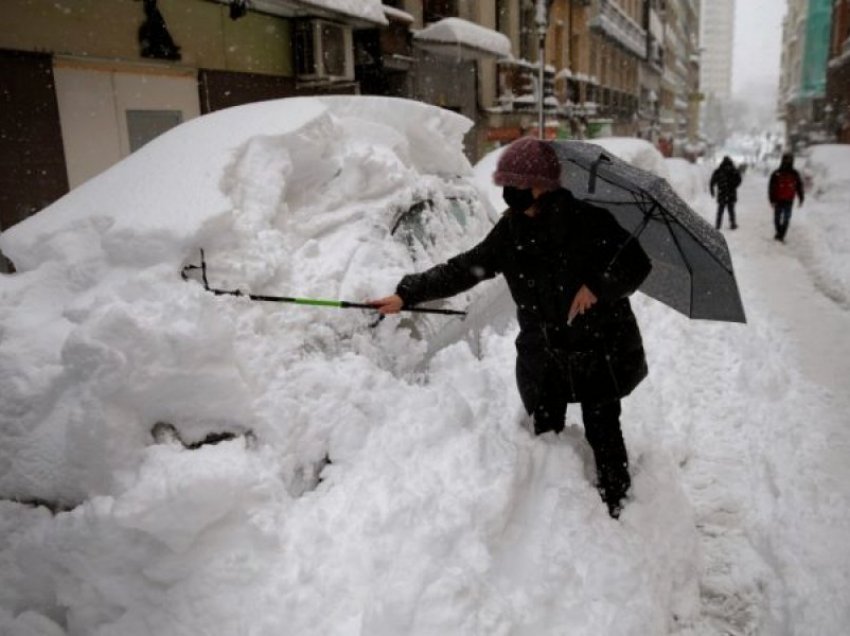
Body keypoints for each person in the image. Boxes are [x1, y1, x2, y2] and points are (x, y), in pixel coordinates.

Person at [369, 137, 652, 519]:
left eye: (519, 185)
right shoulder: (511, 233)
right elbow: (465, 268)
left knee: (602, 428)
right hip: (546, 352)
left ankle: (618, 507)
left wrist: (598, 286)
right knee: (546, 432)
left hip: (596, 347)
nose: (511, 194)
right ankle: (554, 514)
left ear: (545, 184)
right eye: (506, 186)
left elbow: (636, 263)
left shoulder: (589, 221)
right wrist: (409, 293)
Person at [767, 152, 805, 242]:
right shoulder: (793, 173)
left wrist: (771, 200)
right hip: (786, 199)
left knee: (779, 218)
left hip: (781, 199)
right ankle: (781, 234)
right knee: (784, 218)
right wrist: (801, 198)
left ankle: (780, 234)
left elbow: (771, 188)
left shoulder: (777, 173)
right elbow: (799, 187)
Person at [709, 156, 742, 230]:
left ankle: (718, 225)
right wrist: (733, 185)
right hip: (731, 194)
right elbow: (739, 180)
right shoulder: (734, 170)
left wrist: (712, 191)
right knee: (731, 210)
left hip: (722, 194)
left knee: (720, 211)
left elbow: (712, 181)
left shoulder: (719, 170)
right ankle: (733, 224)